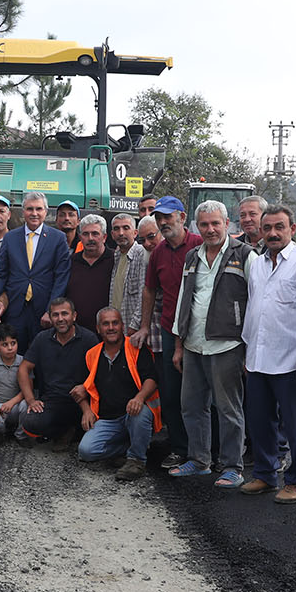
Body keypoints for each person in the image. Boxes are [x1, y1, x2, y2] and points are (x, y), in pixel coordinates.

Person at [239, 204, 296, 503]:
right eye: (268, 228)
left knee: (295, 424)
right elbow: (253, 309)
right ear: (261, 232)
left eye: (279, 227)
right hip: (258, 357)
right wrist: (248, 351)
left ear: (292, 229)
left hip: (291, 358)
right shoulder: (258, 264)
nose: (273, 233)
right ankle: (264, 474)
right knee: (259, 420)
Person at [170, 200, 253, 485]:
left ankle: (233, 466)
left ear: (227, 224)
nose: (210, 229)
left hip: (227, 344)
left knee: (229, 408)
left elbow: (256, 303)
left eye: (215, 223)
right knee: (192, 405)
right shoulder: (193, 256)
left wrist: (248, 349)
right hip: (193, 343)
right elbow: (184, 299)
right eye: (204, 224)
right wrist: (179, 344)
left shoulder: (245, 255)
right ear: (197, 226)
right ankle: (199, 460)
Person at [132, 196, 200, 470]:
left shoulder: (199, 244)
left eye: (168, 217)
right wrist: (146, 325)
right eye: (160, 217)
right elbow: (150, 289)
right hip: (171, 331)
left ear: (182, 217)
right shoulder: (158, 252)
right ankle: (180, 449)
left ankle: (212, 452)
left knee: (204, 395)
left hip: (201, 331)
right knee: (172, 394)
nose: (163, 222)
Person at [73, 306, 160, 481]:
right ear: (98, 329)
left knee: (140, 411)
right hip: (107, 419)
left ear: (122, 325)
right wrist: (86, 410)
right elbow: (80, 388)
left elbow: (152, 379)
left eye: (115, 323)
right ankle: (133, 446)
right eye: (106, 324)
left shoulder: (136, 348)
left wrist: (139, 397)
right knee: (86, 451)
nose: (111, 327)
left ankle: (136, 461)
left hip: (132, 414)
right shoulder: (92, 354)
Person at [0, 190, 71, 346]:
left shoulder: (58, 238)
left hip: (43, 313)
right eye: (30, 209)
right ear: (23, 211)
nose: (34, 213)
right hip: (14, 310)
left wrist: (51, 310)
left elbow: (61, 277)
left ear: (45, 212)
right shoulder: (10, 238)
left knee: (42, 360)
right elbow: (1, 274)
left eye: (38, 209)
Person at [17, 297, 96, 445]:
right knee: (30, 422)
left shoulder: (88, 339)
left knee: (94, 429)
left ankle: (73, 431)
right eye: (55, 315)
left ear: (74, 316)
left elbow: (99, 372)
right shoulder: (42, 338)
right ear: (50, 318)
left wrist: (86, 390)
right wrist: (31, 400)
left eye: (65, 314)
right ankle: (64, 431)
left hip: (82, 400)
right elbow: (23, 369)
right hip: (53, 400)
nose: (60, 319)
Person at [65, 214, 114, 331]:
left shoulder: (115, 260)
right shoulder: (70, 262)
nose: (90, 238)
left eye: (95, 234)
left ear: (104, 237)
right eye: (86, 234)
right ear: (80, 237)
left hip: (108, 331)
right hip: (76, 332)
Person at [108, 213, 147, 338]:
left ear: (135, 233)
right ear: (112, 234)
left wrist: (134, 324)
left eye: (126, 228)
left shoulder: (142, 254)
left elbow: (144, 294)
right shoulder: (116, 255)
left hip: (133, 328)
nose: (121, 233)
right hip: (116, 326)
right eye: (116, 229)